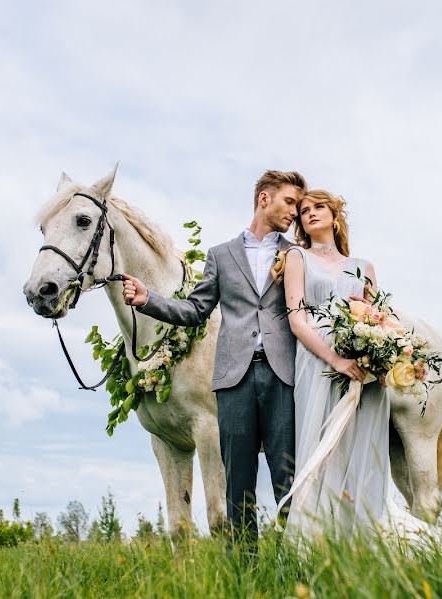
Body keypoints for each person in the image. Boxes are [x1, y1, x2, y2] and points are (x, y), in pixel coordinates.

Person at [121, 169, 307, 545]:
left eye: (299, 206)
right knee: (237, 479)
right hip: (232, 380)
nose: (295, 212)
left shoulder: (297, 256)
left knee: (287, 475)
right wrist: (148, 300)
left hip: (282, 377)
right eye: (290, 202)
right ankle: (243, 568)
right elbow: (195, 310)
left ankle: (295, 563)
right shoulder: (220, 256)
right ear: (264, 198)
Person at [272, 189, 393, 538]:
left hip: (361, 369)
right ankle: (315, 541)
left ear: (335, 216)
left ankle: (359, 540)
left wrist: (382, 364)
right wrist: (335, 360)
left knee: (360, 444)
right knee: (319, 442)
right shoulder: (297, 257)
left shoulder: (363, 267)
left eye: (318, 207)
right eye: (304, 210)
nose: (309, 213)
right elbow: (297, 320)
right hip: (319, 362)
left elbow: (377, 319)